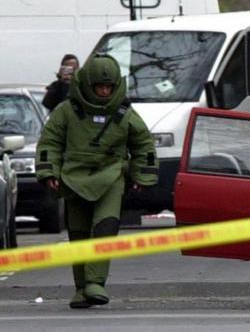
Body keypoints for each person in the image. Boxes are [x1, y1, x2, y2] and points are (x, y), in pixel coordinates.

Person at [35, 54, 158, 308]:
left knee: (105, 228)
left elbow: (143, 143)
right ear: (87, 85)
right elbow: (50, 142)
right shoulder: (68, 110)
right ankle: (81, 289)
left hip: (111, 176)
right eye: (99, 87)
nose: (104, 92)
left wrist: (142, 175)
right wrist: (49, 172)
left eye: (108, 87)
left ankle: (95, 283)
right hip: (74, 178)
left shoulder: (124, 112)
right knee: (78, 235)